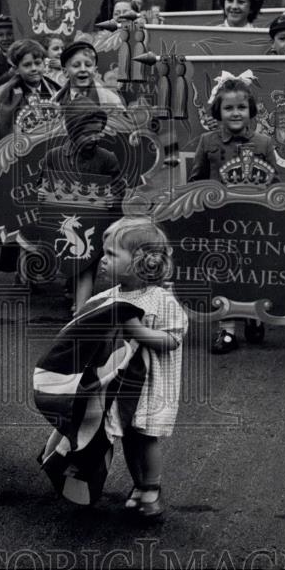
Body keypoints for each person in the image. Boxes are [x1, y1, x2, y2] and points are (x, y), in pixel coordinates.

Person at [90, 216, 187, 519]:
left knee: (146, 437)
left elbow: (172, 339)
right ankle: (138, 485)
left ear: (141, 262)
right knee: (130, 437)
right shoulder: (110, 297)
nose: (102, 260)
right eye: (103, 252)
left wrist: (137, 329)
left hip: (151, 385)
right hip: (120, 385)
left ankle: (152, 489)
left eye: (111, 254)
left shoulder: (161, 300)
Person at [188, 77, 277, 352]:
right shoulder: (207, 141)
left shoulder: (264, 143)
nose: (236, 113)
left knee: (251, 271)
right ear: (218, 113)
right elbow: (196, 179)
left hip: (254, 221)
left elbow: (275, 183)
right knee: (223, 272)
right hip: (219, 220)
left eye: (241, 107)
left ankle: (254, 317)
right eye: (229, 108)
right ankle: (226, 331)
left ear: (251, 111)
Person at [39, 97, 124, 315]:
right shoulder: (54, 156)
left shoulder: (107, 158)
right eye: (88, 133)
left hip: (96, 224)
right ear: (72, 131)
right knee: (71, 264)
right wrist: (41, 191)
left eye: (99, 131)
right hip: (62, 221)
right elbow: (42, 183)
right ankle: (76, 297)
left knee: (86, 265)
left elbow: (118, 187)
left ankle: (80, 309)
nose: (95, 137)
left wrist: (113, 197)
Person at [0, 39, 61, 146]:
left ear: (44, 64)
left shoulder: (55, 90)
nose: (34, 68)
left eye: (38, 63)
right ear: (16, 69)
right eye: (27, 65)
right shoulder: (6, 96)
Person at [51, 40, 124, 107]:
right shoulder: (55, 101)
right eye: (76, 65)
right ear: (65, 72)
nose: (83, 69)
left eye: (88, 65)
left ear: (95, 71)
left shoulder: (111, 101)